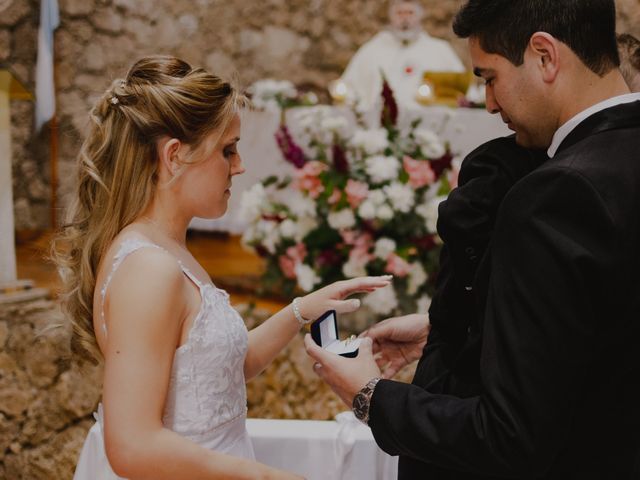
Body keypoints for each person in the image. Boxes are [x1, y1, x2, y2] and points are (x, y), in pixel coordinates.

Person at [305, 0, 640, 478]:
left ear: (544, 56)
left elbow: (509, 436)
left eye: (489, 77)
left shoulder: (554, 193)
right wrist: (486, 323)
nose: (489, 102)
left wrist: (371, 397)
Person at [53, 55, 392, 480]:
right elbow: (132, 445)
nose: (240, 165)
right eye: (227, 150)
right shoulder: (148, 269)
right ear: (175, 156)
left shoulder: (167, 248)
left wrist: (302, 309)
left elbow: (222, 367)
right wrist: (267, 476)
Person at [339, 0, 464, 110]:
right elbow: (349, 88)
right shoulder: (372, 49)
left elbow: (461, 90)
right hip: (380, 124)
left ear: (420, 17)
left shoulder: (439, 50)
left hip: (428, 124)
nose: (405, 19)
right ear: (391, 17)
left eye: (410, 13)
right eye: (399, 13)